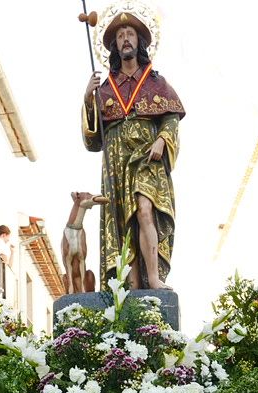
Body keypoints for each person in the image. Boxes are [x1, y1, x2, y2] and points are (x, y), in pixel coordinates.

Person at [81, 7, 183, 289]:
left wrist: (163, 139)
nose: (126, 39)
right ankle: (133, 287)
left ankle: (154, 278)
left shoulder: (156, 83)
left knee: (145, 209)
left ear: (140, 42)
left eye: (130, 34)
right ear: (115, 46)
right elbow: (92, 140)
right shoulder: (104, 88)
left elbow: (171, 118)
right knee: (122, 222)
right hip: (116, 160)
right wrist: (88, 98)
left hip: (147, 155)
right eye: (120, 36)